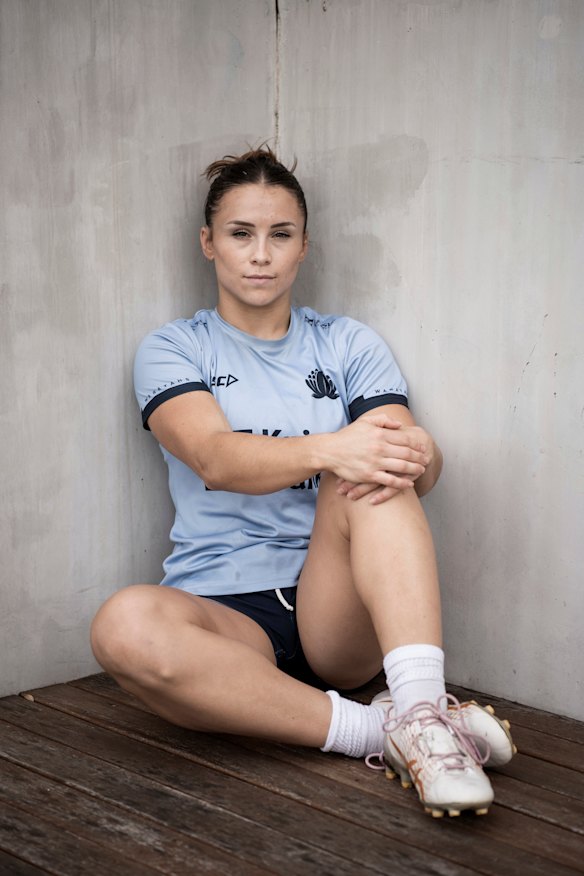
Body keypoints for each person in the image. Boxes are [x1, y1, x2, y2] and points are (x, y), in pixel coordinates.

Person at [91, 145, 515, 818]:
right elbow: (215, 459)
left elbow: (409, 465)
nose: (260, 254)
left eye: (279, 235)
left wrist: (422, 453)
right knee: (123, 626)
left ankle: (423, 715)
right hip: (227, 620)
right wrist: (335, 448)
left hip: (334, 611)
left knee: (374, 472)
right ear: (209, 243)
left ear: (303, 248)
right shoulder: (174, 347)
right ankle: (393, 729)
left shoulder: (346, 343)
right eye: (241, 234)